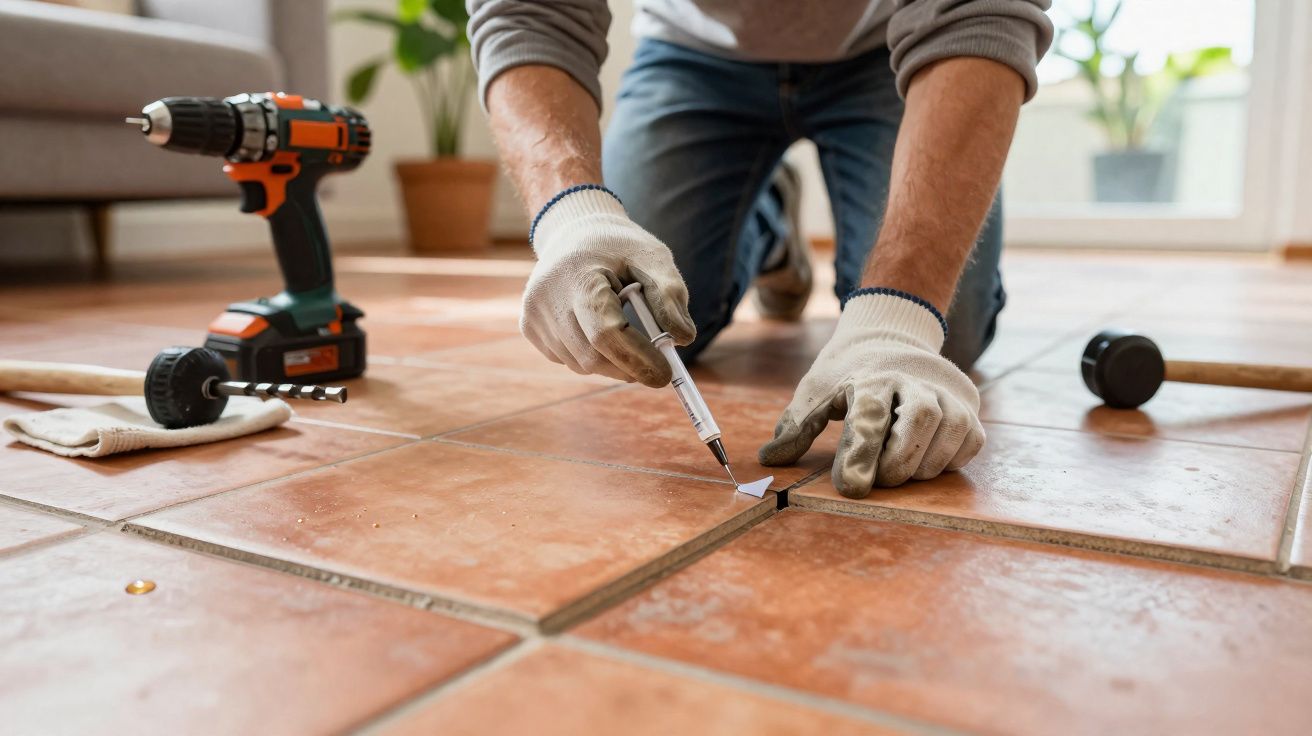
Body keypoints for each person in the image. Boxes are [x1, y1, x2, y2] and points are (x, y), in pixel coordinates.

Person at [468, 0, 1053, 497]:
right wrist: (571, 220)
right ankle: (769, 223)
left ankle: (759, 212)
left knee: (944, 331)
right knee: (631, 313)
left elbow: (979, 11)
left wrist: (898, 319)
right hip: (693, 52)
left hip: (893, 47)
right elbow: (527, 10)